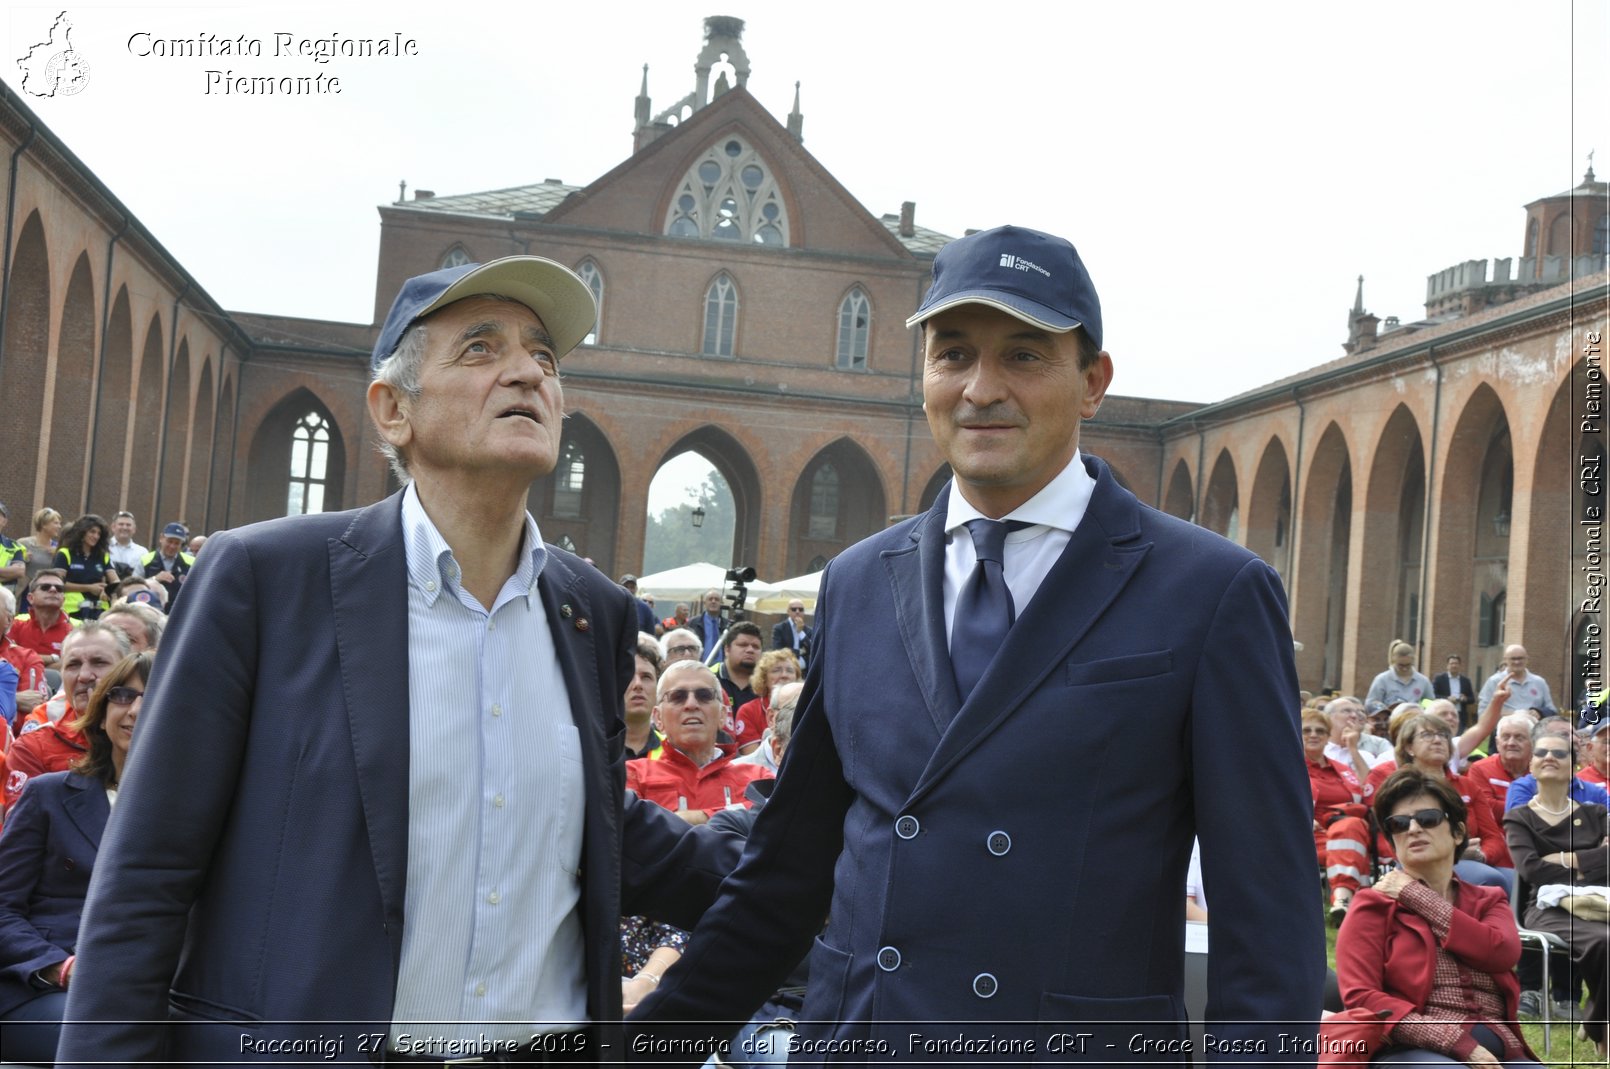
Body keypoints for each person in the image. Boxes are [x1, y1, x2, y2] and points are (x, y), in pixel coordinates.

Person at [631, 224, 1322, 1055]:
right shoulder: (860, 581)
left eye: (1024, 356)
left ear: (1093, 381)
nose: (980, 388)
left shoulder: (1208, 590)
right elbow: (787, 872)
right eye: (953, 354)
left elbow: (1268, 911)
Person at [57, 256, 737, 1064]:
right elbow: (148, 870)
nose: (527, 371)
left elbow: (593, 827)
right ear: (392, 410)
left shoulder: (594, 610)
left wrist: (840, 829)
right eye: (481, 349)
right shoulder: (266, 579)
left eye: (545, 357)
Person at [0, 651, 149, 1065]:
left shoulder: (200, 809)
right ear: (101, 713)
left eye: (154, 696)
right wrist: (59, 968)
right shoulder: (48, 795)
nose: (136, 709)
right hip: (45, 986)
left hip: (155, 990)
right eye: (122, 695)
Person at [1335, 767, 1539, 1068]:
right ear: (1393, 843)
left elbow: (1501, 953)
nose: (1413, 829)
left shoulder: (1488, 898)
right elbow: (1363, 997)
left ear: (1458, 833)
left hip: (1501, 1050)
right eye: (1399, 824)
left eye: (1427, 819)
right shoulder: (1373, 906)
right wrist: (1456, 1043)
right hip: (1408, 1050)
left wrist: (1416, 896)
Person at [1503, 728, 1609, 1052]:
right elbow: (1531, 869)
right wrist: (1593, 860)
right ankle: (1603, 1032)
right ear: (1531, 765)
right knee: (1605, 941)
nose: (1549, 757)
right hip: (1549, 908)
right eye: (1541, 753)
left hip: (1599, 901)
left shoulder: (1596, 813)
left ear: (1573, 765)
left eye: (1560, 753)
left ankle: (1594, 1019)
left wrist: (1567, 857)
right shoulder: (1519, 818)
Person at [625, 661, 771, 824]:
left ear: (722, 715)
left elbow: (771, 820)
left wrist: (699, 817)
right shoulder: (633, 775)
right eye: (677, 697)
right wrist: (735, 814)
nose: (692, 704)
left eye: (704, 696)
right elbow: (633, 831)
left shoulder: (758, 777)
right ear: (658, 718)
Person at [4, 623, 129, 812]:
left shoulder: (154, 736)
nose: (84, 676)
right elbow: (23, 832)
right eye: (73, 665)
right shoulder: (34, 747)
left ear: (126, 672)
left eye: (99, 662)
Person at [1303, 709, 1371, 926]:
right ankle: (1354, 904)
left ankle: (1344, 903)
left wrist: (1353, 749)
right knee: (1351, 834)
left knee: (1350, 826)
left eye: (1320, 731)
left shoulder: (1341, 769)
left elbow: (1370, 789)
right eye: (1307, 730)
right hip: (1308, 836)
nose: (1314, 735)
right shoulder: (1291, 766)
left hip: (1347, 833)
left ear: (1328, 736)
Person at [731, 650, 798, 754]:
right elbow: (753, 758)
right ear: (763, 679)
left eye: (790, 670)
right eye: (776, 670)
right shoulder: (748, 711)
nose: (784, 675)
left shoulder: (807, 708)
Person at [5, 571, 73, 671]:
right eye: (45, 587)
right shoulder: (15, 624)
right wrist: (54, 658)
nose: (53, 589)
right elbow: (6, 658)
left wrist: (27, 663)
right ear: (31, 598)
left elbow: (72, 665)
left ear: (63, 600)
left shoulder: (75, 631)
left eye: (59, 589)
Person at [54, 515, 117, 622]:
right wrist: (89, 588)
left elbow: (116, 581)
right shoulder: (65, 554)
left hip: (99, 613)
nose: (96, 536)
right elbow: (57, 584)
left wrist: (108, 590)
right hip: (71, 613)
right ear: (82, 532)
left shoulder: (103, 556)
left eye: (99, 533)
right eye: (92, 532)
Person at [1477, 645, 1556, 717]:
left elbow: (1552, 710)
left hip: (1534, 729)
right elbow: (1482, 713)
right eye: (1513, 659)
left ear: (1527, 659)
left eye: (1520, 658)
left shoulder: (1539, 682)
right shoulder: (1494, 681)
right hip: (1505, 730)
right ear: (1505, 660)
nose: (1517, 662)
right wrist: (1514, 715)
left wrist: (1539, 712)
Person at [13, 509, 61, 614]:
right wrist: (23, 559)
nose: (59, 526)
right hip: (25, 594)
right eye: (56, 523)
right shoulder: (24, 543)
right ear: (44, 525)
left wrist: (57, 556)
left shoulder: (58, 548)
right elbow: (11, 565)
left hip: (48, 594)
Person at [140, 523, 194, 613]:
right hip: (150, 613)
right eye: (169, 541)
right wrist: (154, 579)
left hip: (178, 614)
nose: (172, 546)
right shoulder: (146, 560)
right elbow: (133, 587)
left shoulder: (191, 563)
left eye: (177, 543)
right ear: (161, 538)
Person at [1366, 640, 1435, 710]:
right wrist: (1384, 708)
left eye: (1408, 665)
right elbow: (1370, 703)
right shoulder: (1381, 679)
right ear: (1393, 660)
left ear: (1413, 660)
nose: (1404, 669)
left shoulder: (1423, 681)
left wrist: (1420, 706)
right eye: (1400, 665)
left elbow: (1430, 703)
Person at [1433, 655, 1478, 731]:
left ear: (1460, 665)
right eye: (1451, 663)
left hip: (1459, 714)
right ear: (1447, 665)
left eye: (1456, 663)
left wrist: (1465, 698)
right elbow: (1433, 696)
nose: (1454, 666)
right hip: (1443, 712)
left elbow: (1472, 699)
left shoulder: (1465, 681)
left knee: (1458, 737)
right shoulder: (1439, 679)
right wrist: (1447, 698)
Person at [104, 511, 147, 579]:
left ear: (134, 529)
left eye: (128, 525)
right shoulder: (103, 547)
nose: (124, 528)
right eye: (121, 524)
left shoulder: (142, 552)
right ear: (113, 527)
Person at [769, 600, 810, 667]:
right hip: (784, 666)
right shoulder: (779, 628)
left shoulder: (808, 630)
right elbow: (777, 649)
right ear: (788, 611)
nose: (797, 611)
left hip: (804, 672)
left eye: (801, 609)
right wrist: (799, 652)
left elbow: (812, 649)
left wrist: (800, 632)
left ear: (804, 612)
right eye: (794, 609)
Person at [693, 589, 723, 663]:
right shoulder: (694, 623)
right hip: (700, 665)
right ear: (704, 603)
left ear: (721, 603)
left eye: (717, 599)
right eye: (710, 599)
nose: (713, 601)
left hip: (721, 667)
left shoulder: (727, 624)